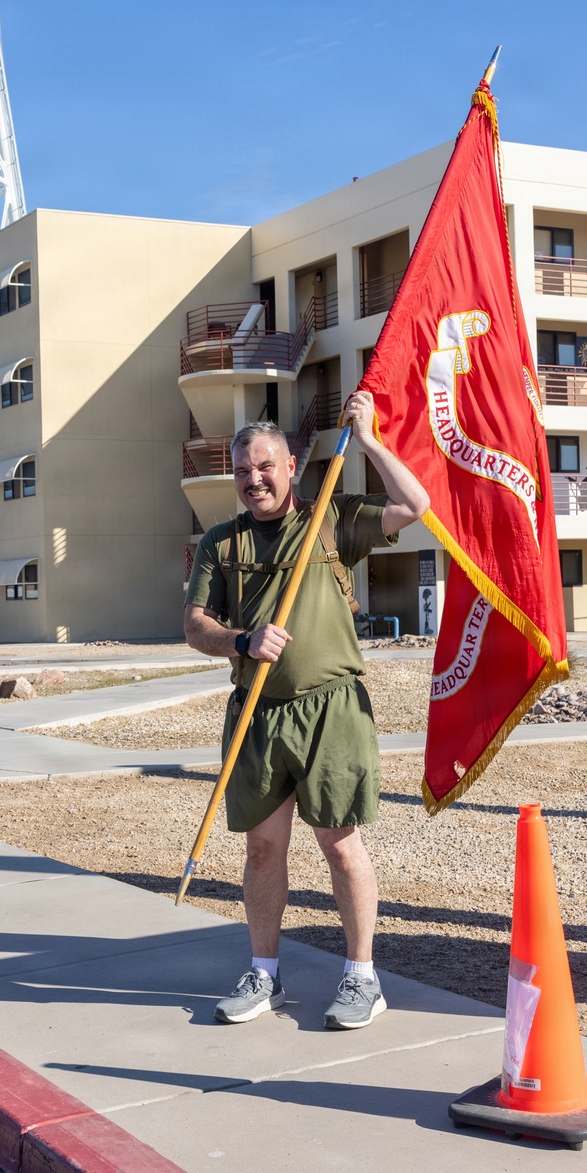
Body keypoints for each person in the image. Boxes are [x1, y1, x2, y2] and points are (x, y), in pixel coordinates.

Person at [184, 392, 429, 1030]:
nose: (253, 480)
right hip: (257, 714)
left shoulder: (331, 520)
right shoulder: (222, 543)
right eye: (241, 471)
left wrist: (369, 437)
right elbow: (193, 624)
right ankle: (264, 974)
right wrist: (240, 640)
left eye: (264, 466)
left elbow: (414, 506)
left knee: (341, 846)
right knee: (264, 852)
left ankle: (361, 978)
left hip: (331, 710)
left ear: (291, 465)